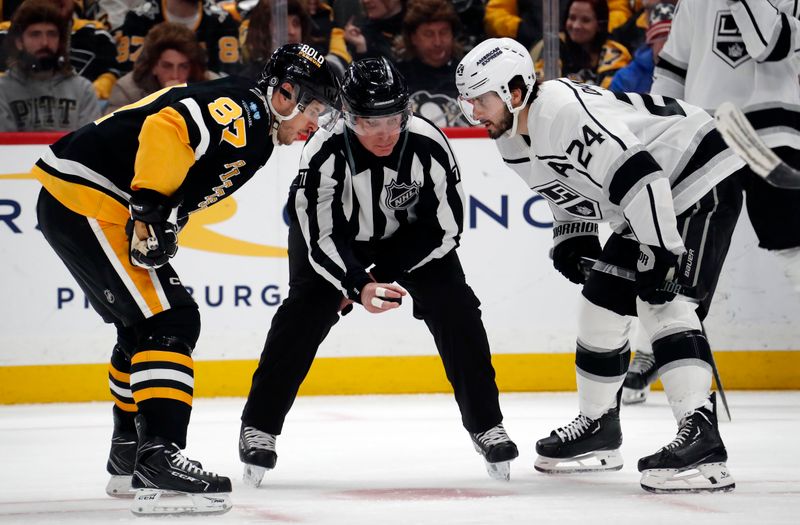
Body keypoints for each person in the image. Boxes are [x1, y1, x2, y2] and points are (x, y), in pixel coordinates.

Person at [31, 43, 341, 515]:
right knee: (171, 321)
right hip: (92, 200)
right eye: (314, 109)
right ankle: (158, 453)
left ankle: (129, 452)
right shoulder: (247, 114)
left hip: (84, 198)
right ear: (286, 93)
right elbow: (169, 125)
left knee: (142, 328)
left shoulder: (249, 116)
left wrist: (162, 218)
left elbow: (182, 157)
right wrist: (149, 208)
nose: (314, 124)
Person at [456, 37, 744, 493]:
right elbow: (568, 192)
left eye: (480, 100)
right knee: (599, 304)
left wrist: (662, 253)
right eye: (467, 102)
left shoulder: (560, 112)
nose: (473, 112)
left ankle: (703, 439)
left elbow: (639, 172)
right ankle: (599, 427)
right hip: (651, 198)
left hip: (695, 176)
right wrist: (573, 238)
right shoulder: (511, 140)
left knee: (662, 302)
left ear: (514, 92)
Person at [239, 56, 519, 488]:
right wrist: (354, 282)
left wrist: (373, 275)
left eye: (393, 118)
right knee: (303, 313)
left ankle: (486, 425)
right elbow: (319, 238)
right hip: (337, 241)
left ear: (407, 110)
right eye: (370, 122)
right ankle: (259, 426)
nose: (384, 133)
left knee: (457, 308)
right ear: (347, 116)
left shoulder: (428, 143)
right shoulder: (323, 151)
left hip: (410, 241)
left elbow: (446, 228)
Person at [624, 0, 800, 404]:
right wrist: (659, 135)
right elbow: (673, 70)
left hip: (773, 134)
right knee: (683, 251)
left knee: (793, 246)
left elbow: (769, 44)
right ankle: (652, 350)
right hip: (705, 135)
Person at [0, 0, 101, 131]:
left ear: (60, 41)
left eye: (52, 34)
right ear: (19, 42)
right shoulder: (2, 91)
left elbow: (89, 144)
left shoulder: (83, 90)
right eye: (35, 34)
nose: (45, 43)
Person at [0, 0, 120, 99]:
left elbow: (111, 73)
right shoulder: (4, 34)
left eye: (52, 34)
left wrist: (85, 94)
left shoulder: (96, 34)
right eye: (35, 34)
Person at [105, 22, 216, 114]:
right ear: (153, 66)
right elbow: (110, 136)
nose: (175, 75)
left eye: (183, 66)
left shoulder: (213, 85)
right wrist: (164, 104)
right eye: (167, 66)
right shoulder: (126, 91)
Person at [114, 0, 240, 76]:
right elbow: (131, 76)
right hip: (150, 100)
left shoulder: (222, 20)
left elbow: (228, 77)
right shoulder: (139, 18)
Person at [397, 0, 469, 127]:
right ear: (413, 38)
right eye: (428, 34)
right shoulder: (398, 78)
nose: (437, 42)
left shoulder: (470, 74)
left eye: (444, 32)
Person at [529, 0, 631, 88]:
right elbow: (542, 86)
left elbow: (611, 96)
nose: (576, 26)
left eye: (585, 20)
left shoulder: (615, 52)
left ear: (600, 25)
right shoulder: (555, 44)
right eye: (572, 18)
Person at [608, 1, 675, 94]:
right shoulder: (625, 78)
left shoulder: (692, 70)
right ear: (651, 42)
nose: (667, 45)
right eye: (661, 38)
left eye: (672, 38)